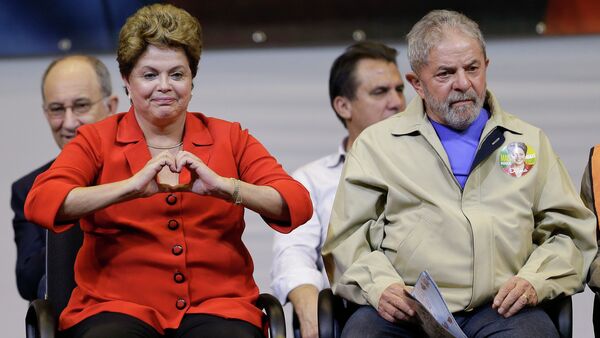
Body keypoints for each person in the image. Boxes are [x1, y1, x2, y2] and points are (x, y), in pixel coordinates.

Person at [24, 4, 312, 338]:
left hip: (218, 307)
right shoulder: (97, 139)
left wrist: (228, 188)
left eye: (177, 74)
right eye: (149, 75)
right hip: (115, 307)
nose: (165, 86)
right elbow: (41, 201)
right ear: (127, 81)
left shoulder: (229, 137)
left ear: (192, 79)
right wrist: (127, 189)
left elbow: (297, 203)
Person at [322, 9, 597, 338]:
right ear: (417, 84)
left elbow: (571, 234)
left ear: (486, 68)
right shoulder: (378, 145)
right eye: (445, 74)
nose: (463, 83)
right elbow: (347, 240)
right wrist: (379, 286)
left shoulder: (527, 141)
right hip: (407, 310)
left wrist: (535, 281)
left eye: (472, 68)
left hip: (501, 309)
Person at [270, 41, 406, 338]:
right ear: (343, 106)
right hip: (356, 311)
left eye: (399, 89)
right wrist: (310, 311)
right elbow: (293, 254)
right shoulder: (313, 178)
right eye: (380, 92)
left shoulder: (431, 167)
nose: (397, 102)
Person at [11, 55, 118, 301]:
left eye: (81, 105)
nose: (69, 123)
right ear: (45, 113)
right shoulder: (29, 189)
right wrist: (65, 207)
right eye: (57, 109)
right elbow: (28, 281)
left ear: (111, 107)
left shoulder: (140, 176)